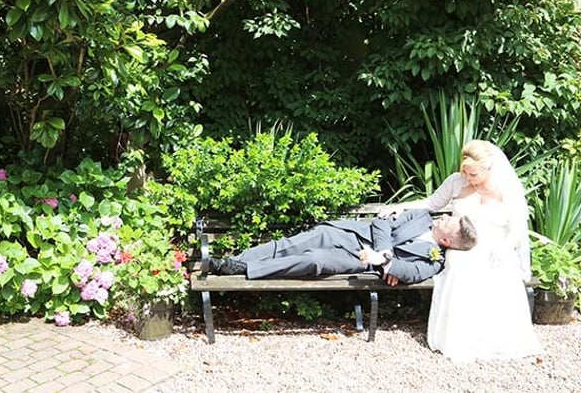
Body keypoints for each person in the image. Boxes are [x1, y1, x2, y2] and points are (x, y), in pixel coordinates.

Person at [380, 139, 543, 362]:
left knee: (502, 268)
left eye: (473, 174)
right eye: (466, 172)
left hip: (497, 245)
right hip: (462, 245)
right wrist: (400, 207)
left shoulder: (506, 189)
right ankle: (460, 338)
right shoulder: (456, 182)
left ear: (488, 167)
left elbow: (517, 228)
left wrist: (505, 248)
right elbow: (432, 203)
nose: (469, 178)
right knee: (458, 266)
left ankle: (496, 339)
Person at [209, 210, 478, 286]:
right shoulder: (420, 217)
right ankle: (233, 262)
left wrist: (384, 264)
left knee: (314, 260)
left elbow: (411, 273)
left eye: (449, 222)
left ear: (446, 241)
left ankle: (246, 269)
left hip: (359, 262)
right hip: (352, 236)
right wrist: (385, 255)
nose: (445, 217)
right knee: (297, 242)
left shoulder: (434, 260)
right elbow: (381, 223)